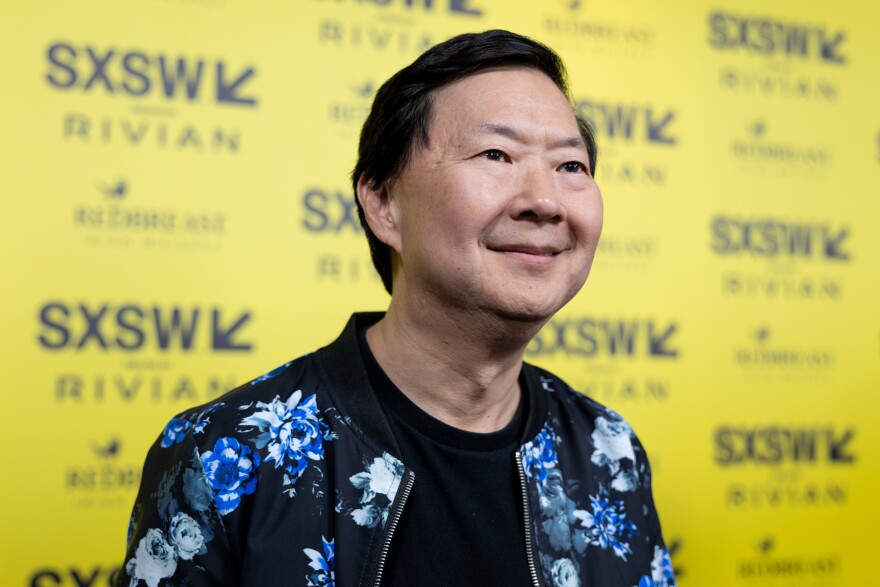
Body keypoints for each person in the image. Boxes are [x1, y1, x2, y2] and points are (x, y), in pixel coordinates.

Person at [115, 30, 676, 587]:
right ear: (383, 204)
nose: (545, 200)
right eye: (496, 154)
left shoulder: (608, 450)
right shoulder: (225, 453)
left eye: (570, 166)